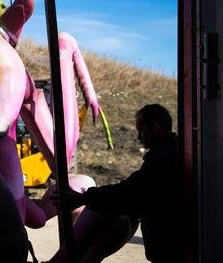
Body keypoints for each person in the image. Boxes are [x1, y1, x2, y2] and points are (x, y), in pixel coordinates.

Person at [51, 104, 182, 263]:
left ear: (154, 127)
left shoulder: (161, 160)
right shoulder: (174, 152)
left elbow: (127, 193)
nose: (139, 137)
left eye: (141, 130)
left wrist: (83, 199)